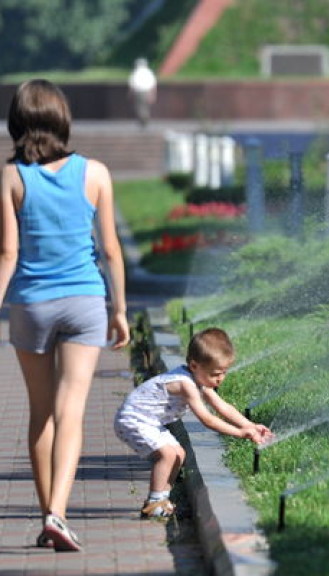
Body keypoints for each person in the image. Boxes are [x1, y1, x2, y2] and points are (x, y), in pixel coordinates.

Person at [0, 79, 130, 551]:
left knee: (41, 415)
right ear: (63, 119)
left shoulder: (11, 178)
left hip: (31, 304)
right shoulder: (95, 173)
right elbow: (111, 250)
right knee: (70, 413)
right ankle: (58, 514)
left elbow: (7, 254)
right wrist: (120, 310)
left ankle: (47, 515)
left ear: (17, 122)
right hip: (84, 303)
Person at [114, 327, 273, 519]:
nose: (220, 378)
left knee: (179, 454)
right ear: (194, 366)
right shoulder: (185, 384)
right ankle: (154, 503)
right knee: (166, 455)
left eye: (224, 372)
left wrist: (249, 425)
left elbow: (223, 407)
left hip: (149, 421)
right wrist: (239, 433)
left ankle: (162, 500)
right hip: (133, 419)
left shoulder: (199, 380)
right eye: (216, 373)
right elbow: (207, 419)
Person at [128, 58, 157, 127]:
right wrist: (153, 94)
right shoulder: (149, 73)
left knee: (140, 107)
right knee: (146, 107)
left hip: (139, 91)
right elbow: (153, 85)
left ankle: (143, 120)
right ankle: (145, 120)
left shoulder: (135, 72)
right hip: (147, 91)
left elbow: (132, 84)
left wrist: (130, 93)